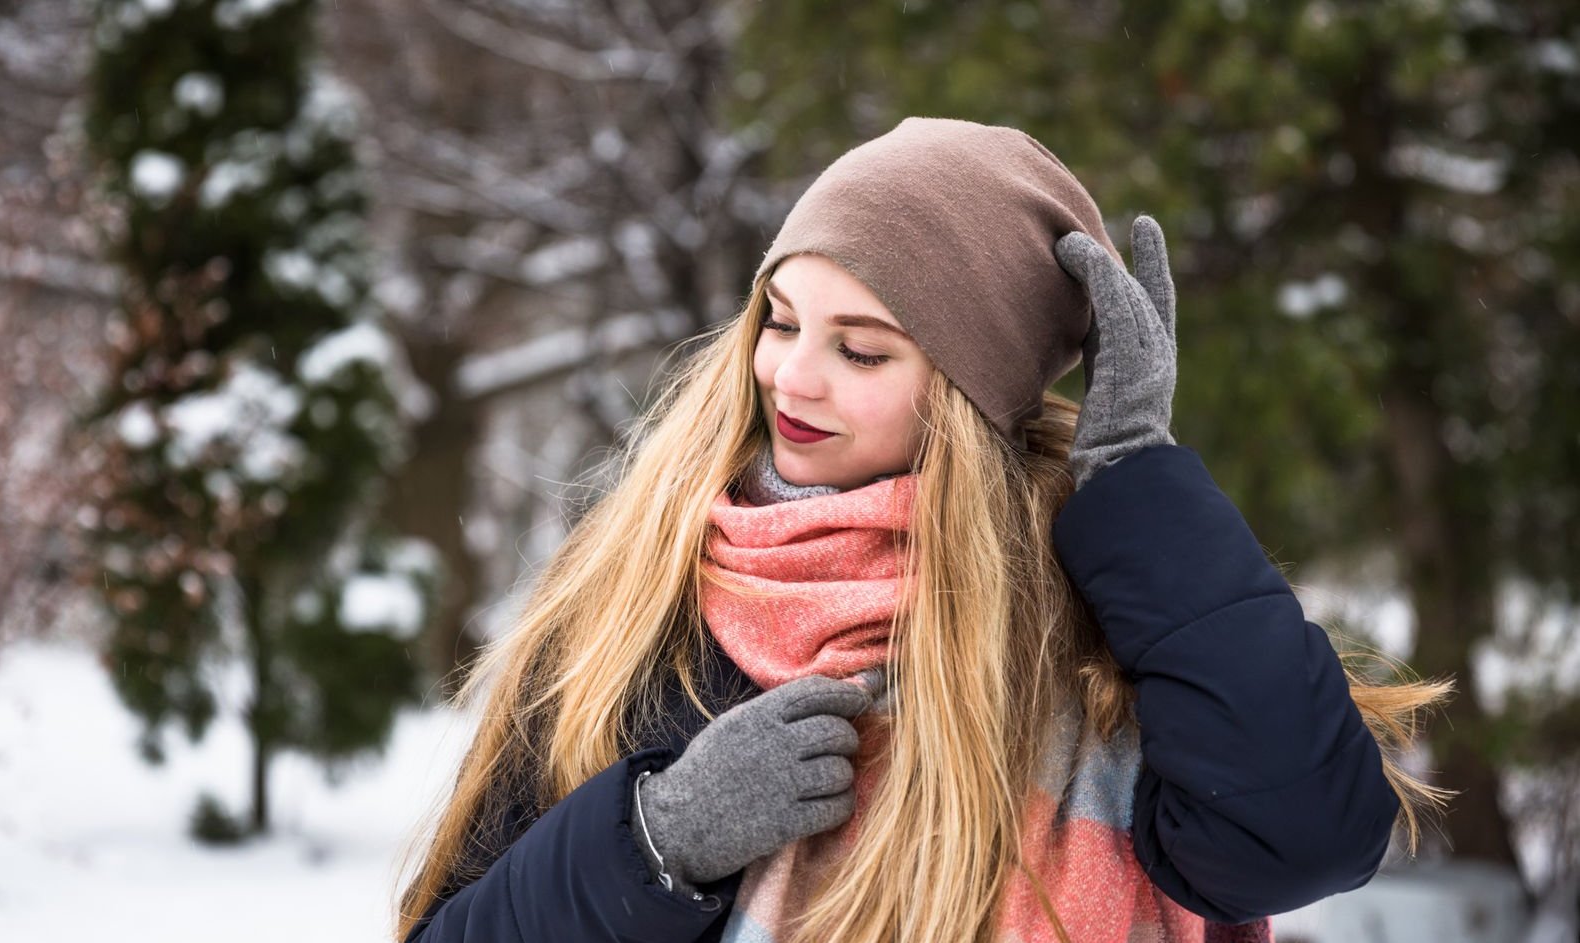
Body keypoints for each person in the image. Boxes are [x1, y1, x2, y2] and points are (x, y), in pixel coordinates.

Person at [391, 116, 1452, 943]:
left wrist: (1141, 483)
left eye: (862, 351)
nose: (791, 376)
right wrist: (657, 844)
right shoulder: (638, 597)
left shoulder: (1097, 611)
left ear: (965, 389)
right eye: (782, 319)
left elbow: (1304, 834)